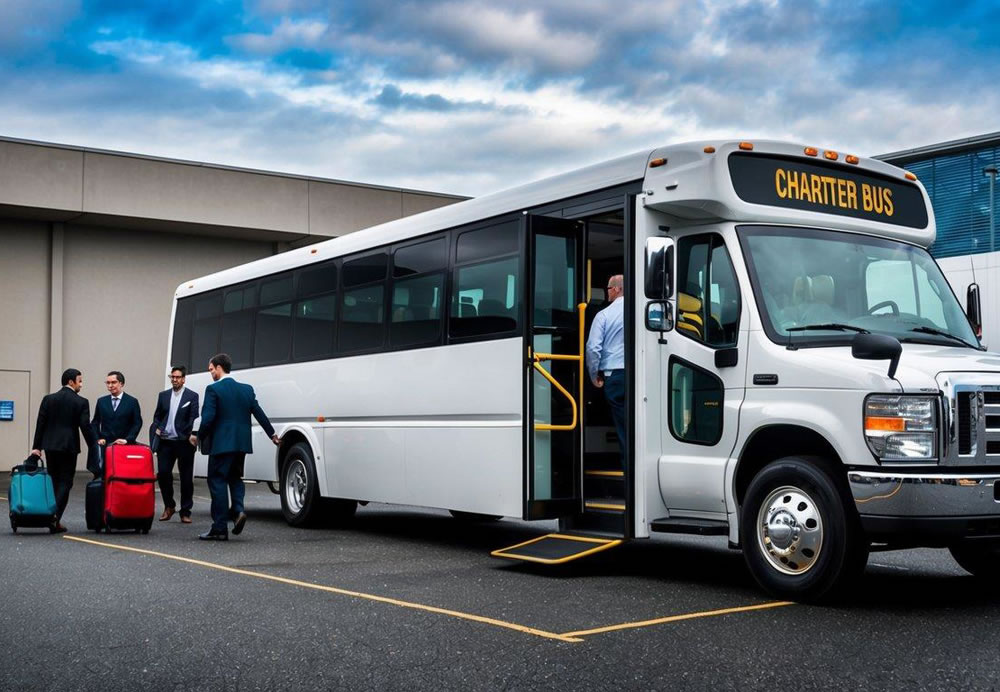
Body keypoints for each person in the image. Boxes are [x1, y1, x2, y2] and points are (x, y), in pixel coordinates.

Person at [192, 353, 279, 541]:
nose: (211, 374)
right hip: (241, 444)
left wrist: (198, 436)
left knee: (217, 481)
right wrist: (272, 434)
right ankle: (238, 510)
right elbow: (259, 413)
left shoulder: (213, 390)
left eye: (211, 370)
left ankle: (220, 527)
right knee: (236, 477)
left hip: (222, 444)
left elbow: (208, 418)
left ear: (218, 367)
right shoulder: (246, 390)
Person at [30, 368, 99, 533]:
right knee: (66, 482)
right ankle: (54, 517)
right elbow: (85, 426)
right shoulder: (81, 402)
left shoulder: (48, 399)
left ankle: (55, 520)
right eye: (79, 381)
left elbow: (41, 424)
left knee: (54, 481)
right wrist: (94, 445)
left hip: (50, 446)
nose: (81, 384)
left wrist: (36, 447)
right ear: (71, 382)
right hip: (69, 447)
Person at [585, 274, 626, 469]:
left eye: (608, 289)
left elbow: (593, 348)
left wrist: (594, 376)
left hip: (614, 378)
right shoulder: (639, 311)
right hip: (638, 377)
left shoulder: (604, 315)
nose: (607, 293)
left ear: (617, 289)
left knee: (624, 431)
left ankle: (629, 479)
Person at [150, 366, 200, 524]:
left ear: (183, 379)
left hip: (184, 442)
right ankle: (169, 506)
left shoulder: (192, 396)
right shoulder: (163, 396)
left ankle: (185, 511)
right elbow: (157, 416)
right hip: (166, 442)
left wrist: (188, 434)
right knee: (163, 474)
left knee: (186, 478)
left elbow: (194, 417)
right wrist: (157, 427)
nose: (174, 380)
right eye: (172, 377)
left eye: (177, 377)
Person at [91, 371, 143, 448]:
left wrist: (128, 439)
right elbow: (95, 422)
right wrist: (98, 438)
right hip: (105, 445)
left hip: (124, 445)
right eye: (108, 383)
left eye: (113, 382)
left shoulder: (132, 401)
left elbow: (137, 423)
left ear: (121, 384)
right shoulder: (101, 401)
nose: (110, 385)